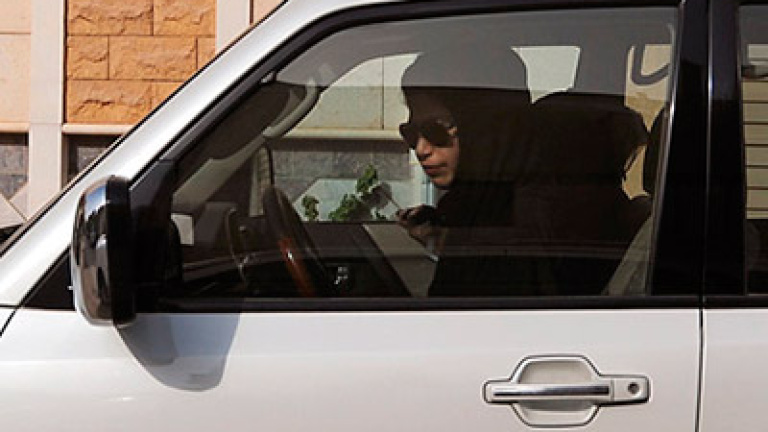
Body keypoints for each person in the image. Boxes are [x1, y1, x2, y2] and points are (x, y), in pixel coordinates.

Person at [396, 48, 536, 296]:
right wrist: (442, 233)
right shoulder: (475, 207)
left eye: (435, 131)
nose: (421, 149)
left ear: (482, 129)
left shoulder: (522, 219)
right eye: (411, 133)